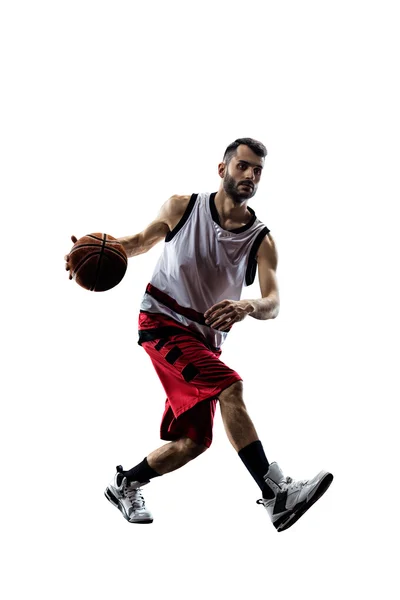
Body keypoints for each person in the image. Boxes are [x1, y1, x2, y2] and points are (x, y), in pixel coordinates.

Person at [65, 137, 333, 532]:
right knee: (230, 388)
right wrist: (90, 250)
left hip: (203, 342)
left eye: (257, 170)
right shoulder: (183, 207)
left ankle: (126, 484)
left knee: (193, 442)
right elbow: (139, 242)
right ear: (222, 169)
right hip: (161, 322)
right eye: (242, 166)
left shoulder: (261, 239)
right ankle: (276, 494)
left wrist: (247, 306)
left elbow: (273, 302)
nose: (250, 175)